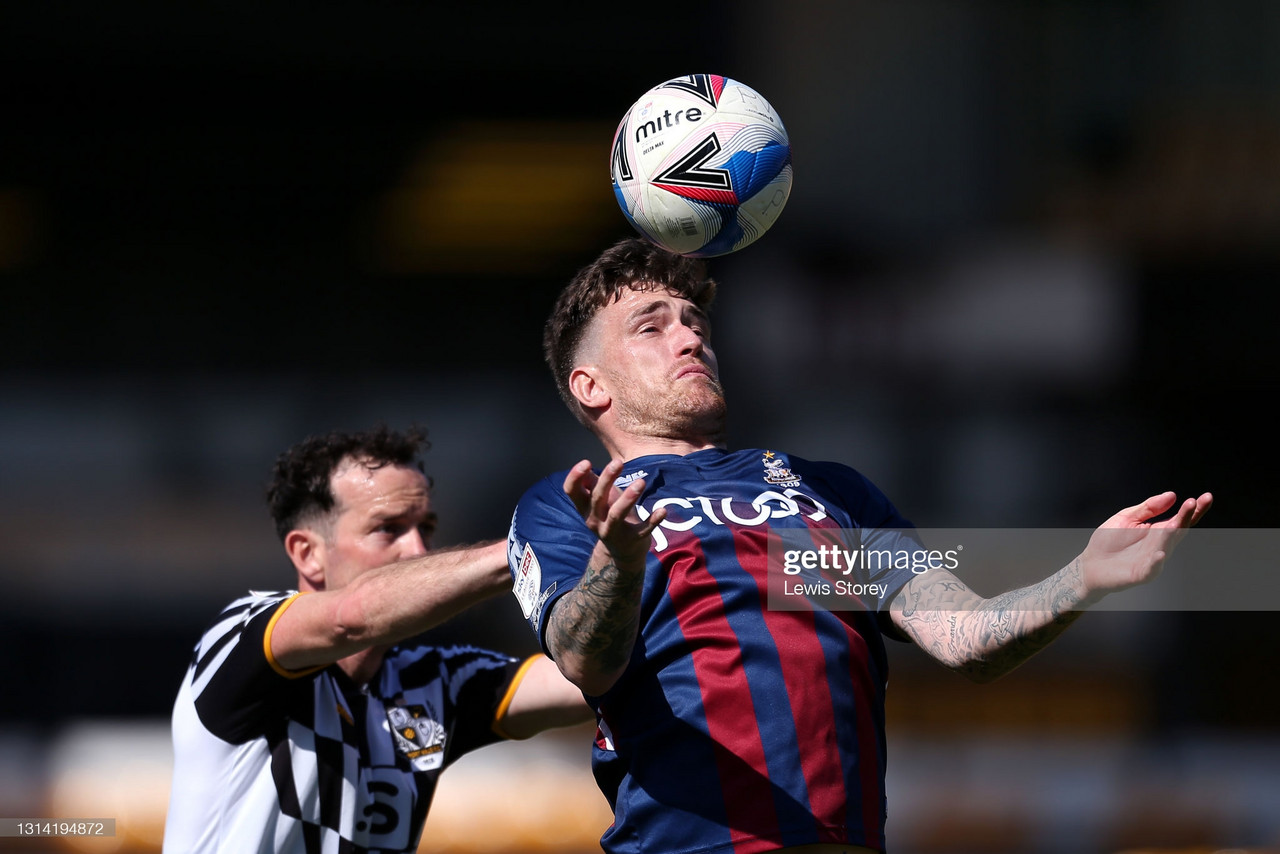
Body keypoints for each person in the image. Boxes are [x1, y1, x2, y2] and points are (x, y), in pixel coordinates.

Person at [505, 237, 1213, 854]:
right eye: (651, 327)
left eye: (694, 321)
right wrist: (620, 562)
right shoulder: (568, 505)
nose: (691, 338)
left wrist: (1082, 578)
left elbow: (969, 639)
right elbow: (583, 662)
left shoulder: (830, 491)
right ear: (589, 385)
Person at [164, 425, 592, 854]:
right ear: (307, 553)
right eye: (388, 529)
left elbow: (591, 675)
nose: (419, 551)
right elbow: (351, 617)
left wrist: (625, 567)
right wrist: (523, 550)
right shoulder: (242, 636)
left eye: (425, 527)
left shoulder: (434, 683)